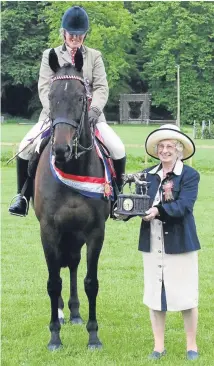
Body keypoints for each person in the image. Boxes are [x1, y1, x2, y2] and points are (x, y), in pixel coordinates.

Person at [9, 5, 126, 217]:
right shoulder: (50, 55)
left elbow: (101, 87)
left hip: (91, 117)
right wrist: (54, 113)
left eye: (79, 35)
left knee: (117, 148)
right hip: (57, 116)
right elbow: (44, 88)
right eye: (71, 34)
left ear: (85, 35)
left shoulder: (94, 56)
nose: (75, 38)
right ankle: (22, 197)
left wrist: (95, 110)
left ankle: (118, 198)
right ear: (63, 33)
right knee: (25, 147)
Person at [118, 124, 200, 360]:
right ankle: (158, 346)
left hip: (180, 241)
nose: (165, 150)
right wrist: (123, 212)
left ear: (179, 150)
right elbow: (138, 203)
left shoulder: (190, 175)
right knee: (155, 295)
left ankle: (191, 346)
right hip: (152, 243)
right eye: (161, 146)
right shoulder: (147, 174)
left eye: (170, 147)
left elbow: (184, 206)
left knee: (186, 296)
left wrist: (156, 211)